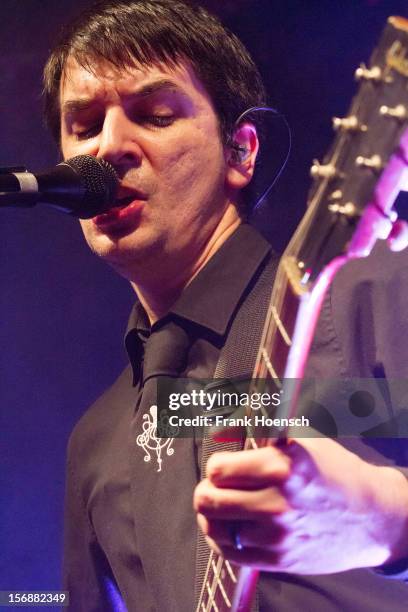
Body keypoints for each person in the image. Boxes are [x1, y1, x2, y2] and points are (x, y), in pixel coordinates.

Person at [42, 0, 408, 609]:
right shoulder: (98, 442)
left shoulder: (362, 302)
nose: (107, 147)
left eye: (154, 115)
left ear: (241, 151)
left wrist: (390, 521)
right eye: (82, 126)